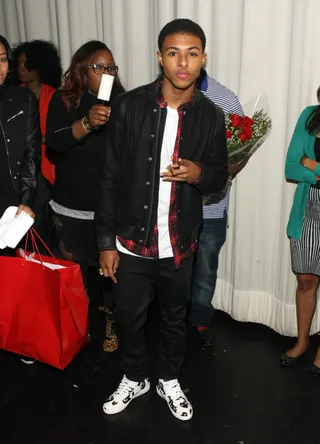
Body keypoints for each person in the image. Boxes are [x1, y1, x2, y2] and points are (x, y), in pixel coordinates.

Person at [96, 19, 228, 420]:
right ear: (160, 58)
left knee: (174, 319)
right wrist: (104, 242)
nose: (182, 62)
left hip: (179, 242)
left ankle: (169, 377)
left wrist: (198, 173)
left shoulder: (211, 116)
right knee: (130, 319)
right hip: (131, 241)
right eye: (173, 53)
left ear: (203, 59)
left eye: (192, 53)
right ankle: (134, 376)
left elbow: (220, 176)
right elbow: (110, 176)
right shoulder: (129, 106)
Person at [46, 40, 125, 353]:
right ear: (82, 69)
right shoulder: (64, 101)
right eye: (98, 67)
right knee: (74, 272)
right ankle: (79, 325)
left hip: (107, 208)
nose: (106, 72)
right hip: (70, 205)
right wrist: (87, 122)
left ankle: (110, 322)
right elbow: (55, 143)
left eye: (111, 67)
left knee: (109, 273)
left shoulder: (121, 102)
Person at [189, 69, 245, 348]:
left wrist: (225, 171)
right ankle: (170, 320)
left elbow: (242, 148)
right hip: (171, 205)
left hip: (211, 207)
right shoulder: (165, 95)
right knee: (170, 268)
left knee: (205, 267)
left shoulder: (226, 100)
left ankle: (199, 320)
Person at [282, 88, 320, 378]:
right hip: (309, 205)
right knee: (306, 278)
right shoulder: (310, 116)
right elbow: (292, 166)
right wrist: (313, 173)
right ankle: (303, 340)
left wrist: (315, 165)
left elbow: (306, 163)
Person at [0, 35, 40, 251]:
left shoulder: (23, 99)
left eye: (3, 59)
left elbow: (31, 154)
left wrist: (26, 199)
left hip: (16, 208)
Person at [13, 40, 62, 185]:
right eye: (19, 63)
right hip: (23, 167)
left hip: (49, 166)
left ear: (38, 66)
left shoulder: (54, 96)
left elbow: (61, 135)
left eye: (26, 63)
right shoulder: (14, 95)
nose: (20, 68)